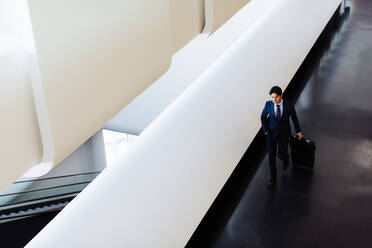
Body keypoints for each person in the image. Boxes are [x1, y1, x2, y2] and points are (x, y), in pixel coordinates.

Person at [261, 86, 304, 189]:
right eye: (272, 97)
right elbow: (262, 117)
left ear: (281, 96)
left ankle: (286, 159)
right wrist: (266, 131)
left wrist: (299, 132)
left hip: (284, 134)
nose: (274, 100)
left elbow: (294, 118)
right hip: (271, 134)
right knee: (271, 157)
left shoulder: (288, 105)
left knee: (281, 154)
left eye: (276, 97)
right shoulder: (268, 104)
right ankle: (273, 179)